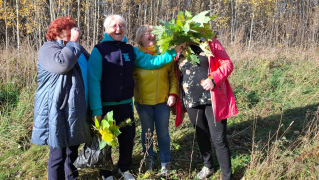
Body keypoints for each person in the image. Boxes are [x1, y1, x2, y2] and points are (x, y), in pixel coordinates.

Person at [87, 15, 185, 180]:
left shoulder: (130, 50)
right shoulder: (99, 50)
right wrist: (96, 109)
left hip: (125, 104)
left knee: (127, 138)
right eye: (114, 26)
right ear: (106, 29)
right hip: (105, 105)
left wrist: (174, 52)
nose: (118, 29)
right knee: (105, 140)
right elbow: (93, 80)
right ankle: (106, 173)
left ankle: (124, 169)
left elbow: (152, 62)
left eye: (121, 25)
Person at [31, 17, 91, 180]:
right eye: (71, 28)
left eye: (75, 28)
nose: (75, 30)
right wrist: (73, 42)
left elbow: (91, 65)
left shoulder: (75, 48)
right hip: (56, 110)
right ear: (59, 31)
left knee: (72, 152)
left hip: (76, 109)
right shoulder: (48, 49)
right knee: (57, 155)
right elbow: (62, 64)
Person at [176, 38, 238, 180]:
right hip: (191, 99)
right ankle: (208, 166)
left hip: (212, 99)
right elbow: (174, 73)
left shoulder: (210, 43)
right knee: (201, 134)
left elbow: (227, 64)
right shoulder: (179, 47)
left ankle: (227, 175)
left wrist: (214, 79)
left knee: (219, 138)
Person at [133, 25, 178, 177]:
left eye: (153, 33)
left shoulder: (165, 52)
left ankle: (166, 162)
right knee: (147, 133)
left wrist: (173, 94)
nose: (151, 36)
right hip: (143, 102)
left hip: (162, 101)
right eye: (147, 33)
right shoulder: (135, 54)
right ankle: (148, 161)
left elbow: (172, 76)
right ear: (140, 38)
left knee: (163, 133)